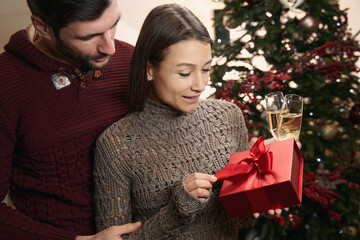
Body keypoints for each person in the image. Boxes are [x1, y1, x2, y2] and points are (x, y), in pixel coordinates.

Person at [93, 4, 282, 239]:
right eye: (185, 73)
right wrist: (176, 211)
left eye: (206, 69)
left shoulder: (228, 117)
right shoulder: (116, 145)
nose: (200, 85)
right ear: (149, 69)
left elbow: (237, 219)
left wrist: (258, 204)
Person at [0, 0, 141, 239]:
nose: (110, 48)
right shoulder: (6, 85)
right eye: (89, 37)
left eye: (113, 25)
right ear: (43, 27)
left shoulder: (131, 60)